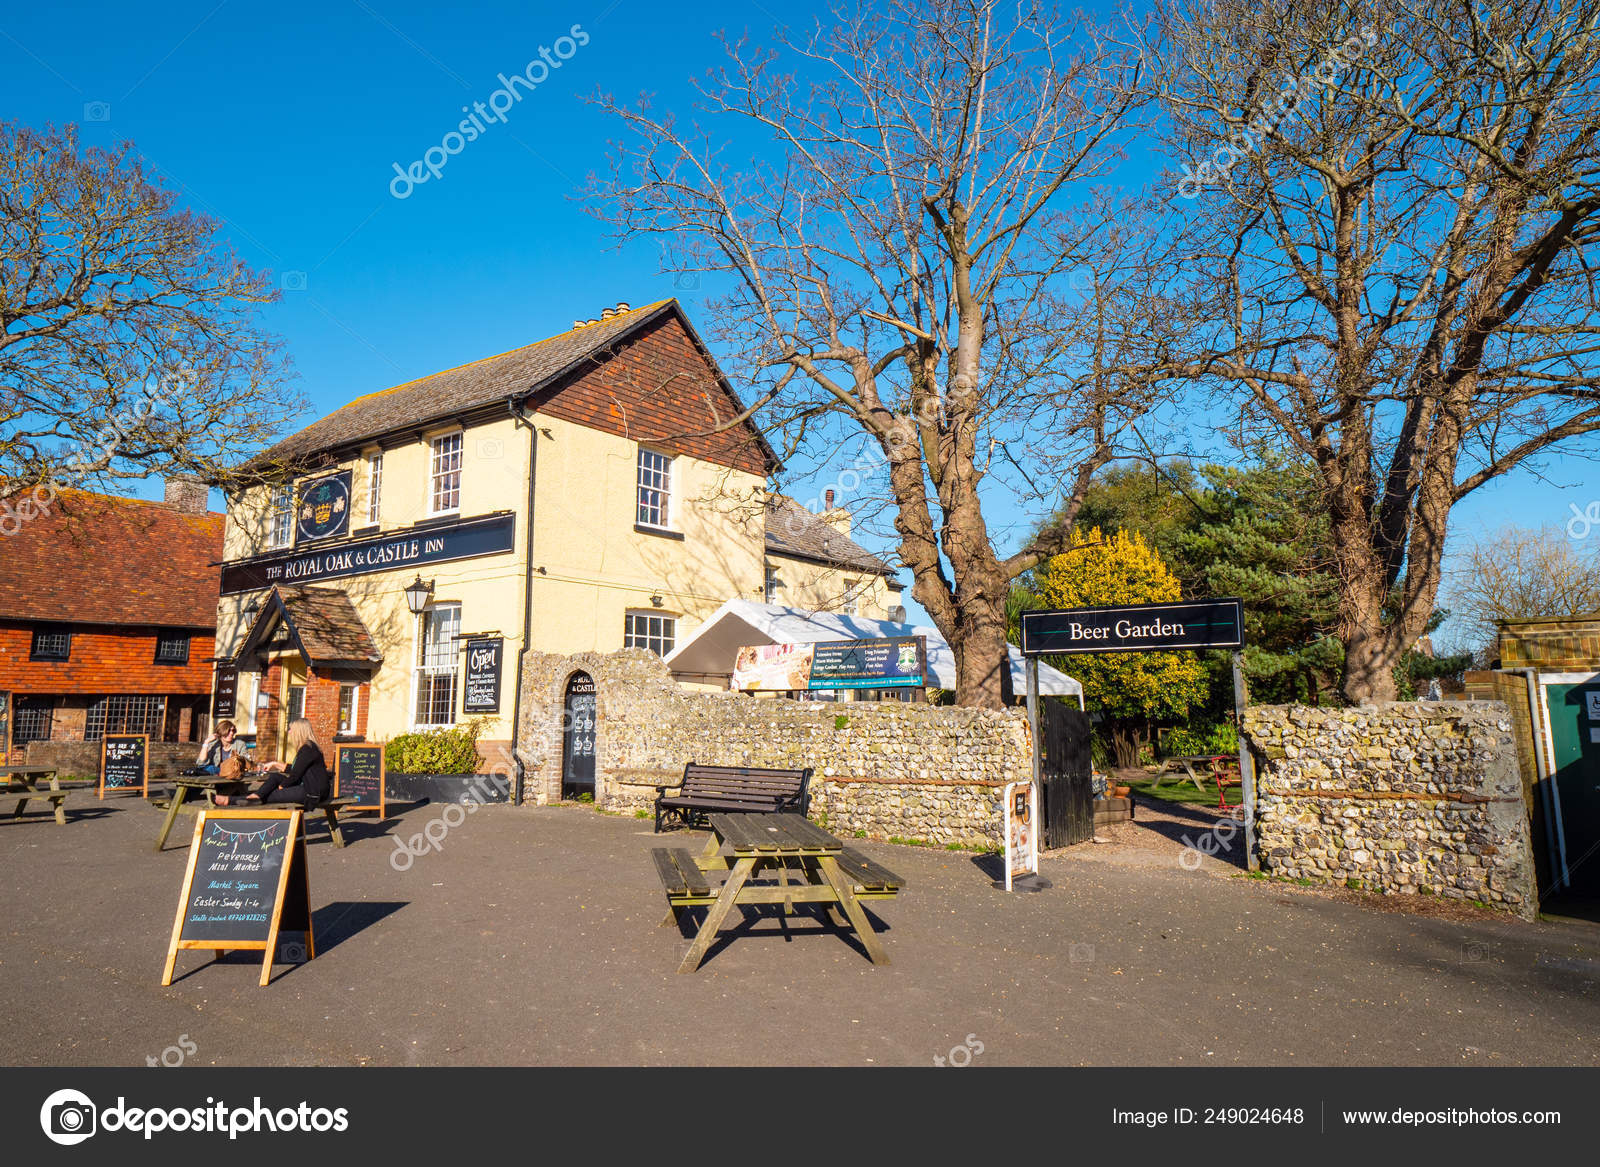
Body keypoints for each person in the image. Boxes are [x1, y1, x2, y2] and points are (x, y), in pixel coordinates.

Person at [215, 718, 330, 807]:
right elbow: (296, 768)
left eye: (291, 730)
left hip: (313, 791)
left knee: (272, 794)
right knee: (275, 777)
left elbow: (295, 775)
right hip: (309, 786)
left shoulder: (307, 749)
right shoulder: (309, 747)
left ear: (299, 732)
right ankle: (255, 796)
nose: (289, 732)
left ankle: (229, 800)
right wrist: (275, 764)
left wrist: (282, 786)